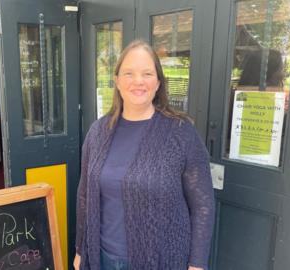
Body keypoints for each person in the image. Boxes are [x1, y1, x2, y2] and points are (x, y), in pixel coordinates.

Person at [74, 40, 215, 270]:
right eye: (129, 73)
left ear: (158, 82)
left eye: (147, 73)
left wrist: (197, 264)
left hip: (160, 261)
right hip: (102, 258)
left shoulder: (181, 133)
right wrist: (80, 250)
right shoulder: (98, 132)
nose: (138, 81)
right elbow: (84, 196)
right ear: (117, 81)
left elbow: (203, 205)